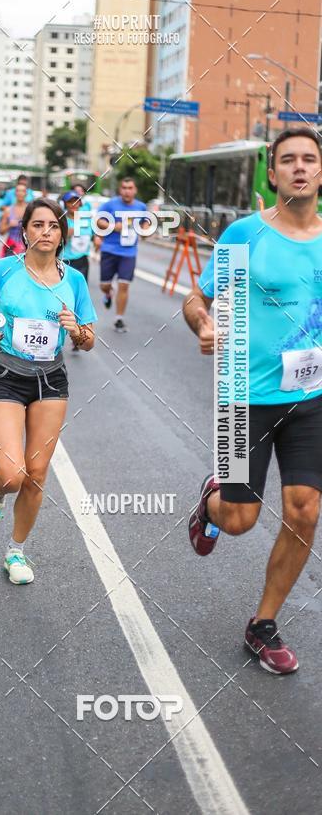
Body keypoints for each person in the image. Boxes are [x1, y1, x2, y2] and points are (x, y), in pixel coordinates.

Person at [183, 127, 322, 674]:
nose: (300, 167)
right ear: (272, 173)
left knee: (305, 508)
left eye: (309, 159)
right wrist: (204, 321)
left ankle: (263, 624)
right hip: (244, 394)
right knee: (240, 519)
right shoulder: (247, 236)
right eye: (288, 160)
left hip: (310, 395)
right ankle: (211, 503)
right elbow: (199, 297)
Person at [0, 198, 97, 584]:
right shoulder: (3, 269)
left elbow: (89, 340)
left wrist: (75, 329)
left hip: (51, 381)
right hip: (7, 375)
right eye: (38, 225)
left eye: (54, 226)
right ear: (24, 230)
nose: (46, 232)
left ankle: (16, 552)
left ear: (63, 235)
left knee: (37, 473)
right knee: (12, 475)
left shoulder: (74, 280)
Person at [96, 176, 147, 333]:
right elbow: (98, 220)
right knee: (104, 285)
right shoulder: (110, 204)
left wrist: (144, 229)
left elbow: (146, 221)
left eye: (130, 188)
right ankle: (108, 294)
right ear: (120, 190)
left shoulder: (141, 207)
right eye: (124, 188)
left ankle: (119, 319)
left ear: (135, 190)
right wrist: (113, 226)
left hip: (129, 252)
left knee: (124, 285)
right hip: (109, 250)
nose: (127, 191)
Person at [61, 190, 94, 282]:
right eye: (70, 202)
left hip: (82, 260)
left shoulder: (86, 219)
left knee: (81, 291)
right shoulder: (61, 220)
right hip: (65, 261)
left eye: (76, 201)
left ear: (80, 203)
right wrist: (65, 233)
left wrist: (98, 239)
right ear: (65, 204)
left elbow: (95, 233)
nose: (74, 204)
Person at [0, 183, 27, 258]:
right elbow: (1, 231)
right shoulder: (8, 210)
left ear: (26, 193)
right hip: (12, 246)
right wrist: (9, 225)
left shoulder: (30, 210)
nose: (20, 193)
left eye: (23, 191)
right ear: (15, 193)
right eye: (18, 191)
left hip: (27, 246)